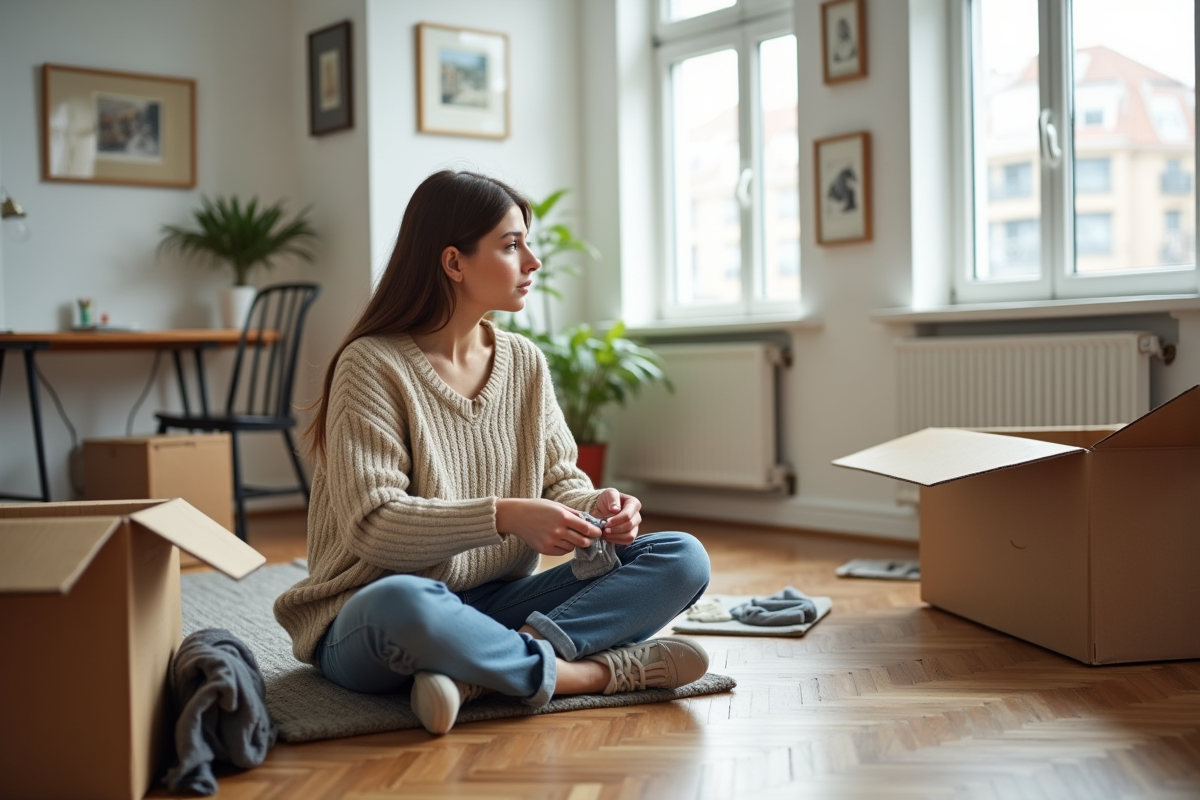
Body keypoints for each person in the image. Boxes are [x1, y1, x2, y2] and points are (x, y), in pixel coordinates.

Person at [273, 169, 713, 735]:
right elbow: (375, 525)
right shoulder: (372, 365)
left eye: (528, 244)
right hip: (370, 615)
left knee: (682, 557)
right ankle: (592, 675)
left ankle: (482, 672)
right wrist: (505, 515)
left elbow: (561, 479)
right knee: (405, 603)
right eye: (511, 245)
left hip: (495, 603)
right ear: (454, 263)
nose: (532, 261)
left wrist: (600, 505)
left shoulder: (523, 361)